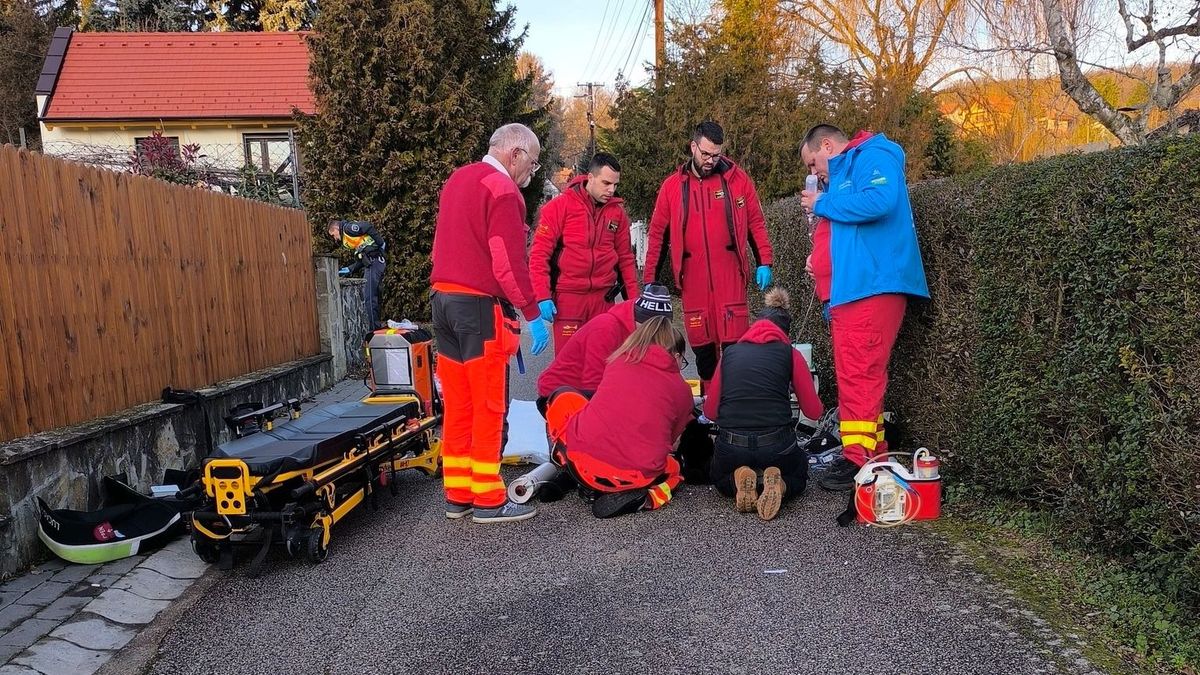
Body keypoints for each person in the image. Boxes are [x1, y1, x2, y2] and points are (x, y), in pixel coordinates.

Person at [429, 123, 551, 524]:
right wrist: (532, 313)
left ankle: (458, 493)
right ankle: (488, 498)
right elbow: (506, 261)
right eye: (531, 164)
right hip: (479, 309)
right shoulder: (502, 191)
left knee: (459, 404)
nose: (530, 175)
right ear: (514, 154)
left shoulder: (457, 180)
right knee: (487, 404)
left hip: (443, 303)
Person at [799, 124, 929, 492]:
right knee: (856, 374)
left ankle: (863, 460)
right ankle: (865, 453)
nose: (814, 173)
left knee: (861, 374)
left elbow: (880, 201)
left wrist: (822, 203)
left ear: (827, 145)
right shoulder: (848, 172)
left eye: (812, 163)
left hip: (871, 288)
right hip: (855, 290)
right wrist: (820, 261)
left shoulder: (871, 156)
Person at [642, 120, 775, 391]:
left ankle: (736, 407)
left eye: (716, 155)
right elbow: (658, 234)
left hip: (730, 278)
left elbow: (755, 223)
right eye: (705, 154)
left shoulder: (738, 181)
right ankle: (709, 410)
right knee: (704, 354)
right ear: (693, 147)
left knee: (736, 351)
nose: (710, 160)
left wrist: (765, 261)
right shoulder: (672, 187)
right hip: (694, 281)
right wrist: (650, 280)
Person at [543, 316, 695, 518]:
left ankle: (565, 462)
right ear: (676, 355)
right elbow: (671, 440)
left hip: (581, 463)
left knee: (564, 396)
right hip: (634, 475)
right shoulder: (681, 390)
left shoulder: (617, 361)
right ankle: (647, 498)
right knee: (675, 469)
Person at [702, 288, 824, 520]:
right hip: (777, 445)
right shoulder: (791, 354)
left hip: (732, 446)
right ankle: (780, 485)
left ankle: (739, 476)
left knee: (718, 478)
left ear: (754, 325)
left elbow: (710, 411)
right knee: (799, 475)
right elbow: (813, 411)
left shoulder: (729, 354)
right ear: (784, 332)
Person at [530, 152, 639, 352]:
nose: (611, 190)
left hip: (603, 301)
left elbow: (625, 260)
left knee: (600, 366)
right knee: (568, 368)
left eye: (615, 185)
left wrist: (633, 302)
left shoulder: (617, 215)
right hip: (568, 301)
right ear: (590, 177)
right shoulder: (559, 208)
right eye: (606, 183)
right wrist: (542, 296)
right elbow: (539, 255)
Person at [534, 284, 672, 414]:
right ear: (645, 324)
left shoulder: (635, 330)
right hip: (559, 393)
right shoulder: (606, 329)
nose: (654, 340)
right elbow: (593, 383)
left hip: (588, 389)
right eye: (654, 333)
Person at [329, 219, 387, 334]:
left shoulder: (347, 229)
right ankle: (376, 327)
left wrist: (381, 244)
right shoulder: (350, 240)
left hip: (375, 260)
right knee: (374, 296)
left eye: (333, 235)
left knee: (369, 297)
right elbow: (362, 259)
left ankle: (373, 331)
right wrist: (349, 269)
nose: (334, 238)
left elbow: (367, 226)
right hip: (372, 262)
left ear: (336, 229)